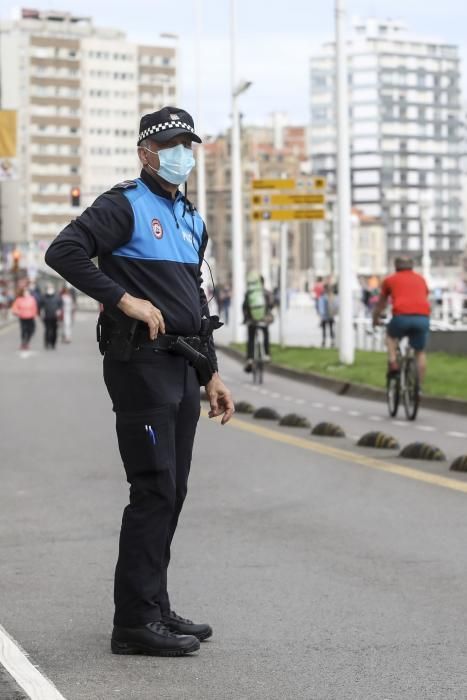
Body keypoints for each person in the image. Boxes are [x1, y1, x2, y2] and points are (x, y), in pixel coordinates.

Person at [45, 106, 234, 657]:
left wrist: (212, 372)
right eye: (172, 144)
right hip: (139, 363)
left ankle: (155, 604)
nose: (183, 154)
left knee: (172, 491)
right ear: (146, 152)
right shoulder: (124, 204)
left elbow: (197, 303)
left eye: (189, 144)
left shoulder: (190, 219)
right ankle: (132, 621)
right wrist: (123, 299)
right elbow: (64, 251)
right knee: (152, 487)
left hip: (181, 363)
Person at [372, 257, 430, 382]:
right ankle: (418, 388)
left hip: (401, 317)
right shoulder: (421, 279)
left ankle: (393, 362)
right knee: (419, 352)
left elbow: (381, 303)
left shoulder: (390, 280)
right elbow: (425, 297)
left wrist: (375, 319)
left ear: (396, 266)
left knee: (390, 336)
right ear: (412, 266)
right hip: (422, 318)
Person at [243, 271, 274, 371]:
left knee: (251, 338)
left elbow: (244, 307)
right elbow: (271, 304)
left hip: (252, 321)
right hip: (263, 320)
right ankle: (267, 354)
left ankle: (250, 359)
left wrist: (246, 318)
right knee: (266, 333)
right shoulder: (266, 292)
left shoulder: (249, 293)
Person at [40, 284, 63, 349]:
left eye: (51, 287)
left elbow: (60, 305)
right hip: (46, 317)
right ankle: (47, 343)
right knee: (47, 330)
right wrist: (41, 312)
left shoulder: (57, 297)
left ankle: (53, 343)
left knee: (54, 330)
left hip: (55, 317)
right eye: (49, 288)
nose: (50, 289)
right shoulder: (44, 297)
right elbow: (41, 306)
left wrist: (59, 311)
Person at [317, 283, 337, 348]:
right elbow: (335, 306)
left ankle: (324, 341)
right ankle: (332, 341)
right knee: (331, 329)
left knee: (324, 329)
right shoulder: (332, 296)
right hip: (330, 315)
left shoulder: (323, 297)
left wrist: (321, 315)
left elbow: (321, 307)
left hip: (325, 316)